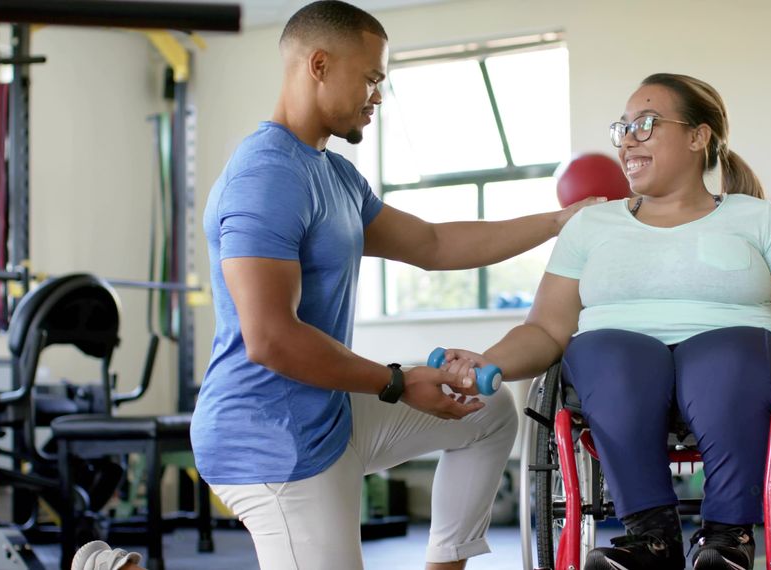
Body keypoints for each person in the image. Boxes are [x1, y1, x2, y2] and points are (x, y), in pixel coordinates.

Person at [437, 73, 771, 570]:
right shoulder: (590, 226)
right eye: (621, 128)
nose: (627, 139)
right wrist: (487, 360)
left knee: (726, 355)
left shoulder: (759, 219)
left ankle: (728, 538)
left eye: (645, 124)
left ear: (697, 136)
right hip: (615, 367)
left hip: (735, 361)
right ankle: (652, 539)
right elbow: (545, 330)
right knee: (608, 352)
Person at [189, 2, 599, 569]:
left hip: (326, 413)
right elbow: (270, 339)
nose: (378, 95)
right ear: (320, 64)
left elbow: (432, 244)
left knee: (485, 408)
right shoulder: (267, 177)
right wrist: (395, 382)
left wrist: (557, 223)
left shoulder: (333, 174)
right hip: (268, 440)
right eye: (372, 77)